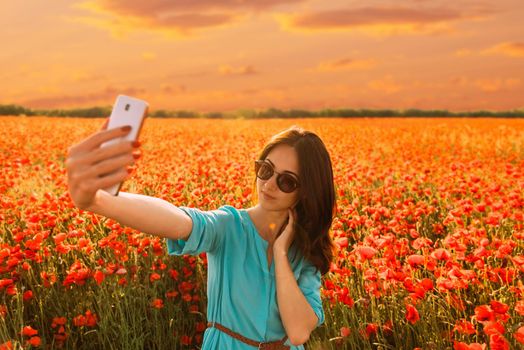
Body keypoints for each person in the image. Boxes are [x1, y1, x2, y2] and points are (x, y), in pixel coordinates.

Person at [66, 120, 336, 349]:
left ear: (306, 191)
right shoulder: (229, 226)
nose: (268, 184)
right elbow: (179, 220)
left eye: (286, 181)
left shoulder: (304, 251)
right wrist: (99, 201)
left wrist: (280, 253)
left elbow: (299, 331)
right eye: (265, 169)